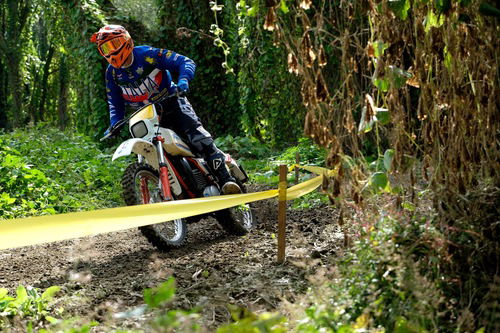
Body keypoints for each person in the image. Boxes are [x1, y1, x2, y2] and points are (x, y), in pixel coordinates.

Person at [90, 25, 241, 194]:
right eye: (105, 48)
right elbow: (114, 102)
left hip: (172, 102)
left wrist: (183, 81)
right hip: (146, 115)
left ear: (127, 41)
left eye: (114, 44)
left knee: (198, 137)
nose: (111, 51)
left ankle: (226, 180)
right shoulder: (111, 74)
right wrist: (114, 123)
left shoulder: (147, 55)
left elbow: (185, 61)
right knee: (150, 151)